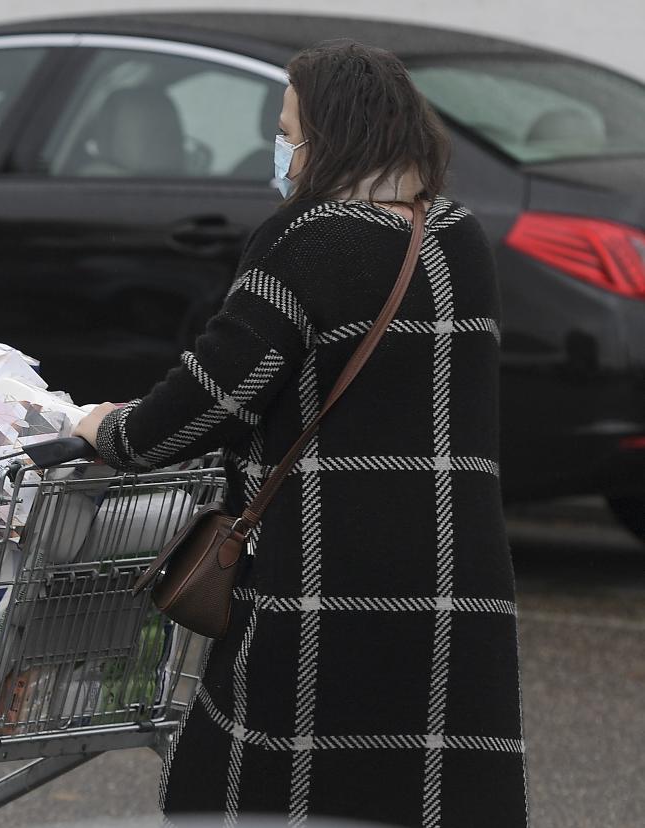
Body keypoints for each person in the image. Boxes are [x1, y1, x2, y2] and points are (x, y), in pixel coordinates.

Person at [74, 40, 528, 827]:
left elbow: (211, 397)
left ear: (333, 137)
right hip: (456, 579)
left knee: (244, 795)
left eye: (289, 130)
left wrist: (107, 430)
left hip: (325, 574)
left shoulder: (310, 240)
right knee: (424, 797)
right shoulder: (459, 237)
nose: (280, 149)